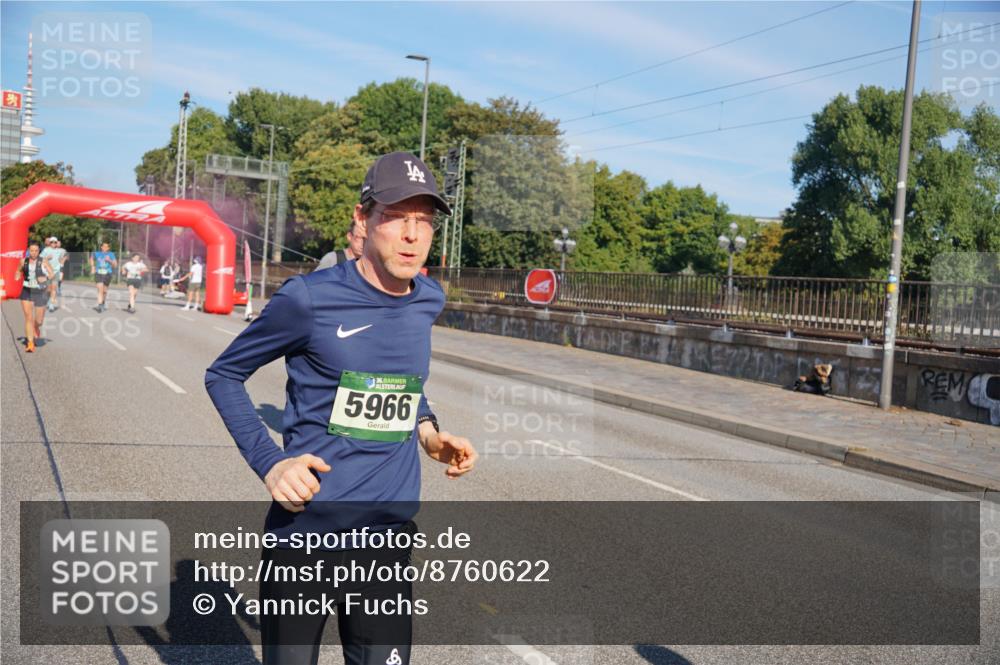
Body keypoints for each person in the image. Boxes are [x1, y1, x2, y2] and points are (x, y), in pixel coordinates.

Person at [205, 151, 477, 665]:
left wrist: (427, 432)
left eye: (424, 221)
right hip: (305, 536)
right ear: (363, 218)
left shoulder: (428, 299)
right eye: (396, 217)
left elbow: (402, 379)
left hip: (387, 542)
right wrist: (271, 463)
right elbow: (223, 374)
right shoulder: (308, 299)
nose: (412, 235)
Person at [17, 241, 55, 353]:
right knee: (28, 317)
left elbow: (52, 274)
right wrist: (17, 276)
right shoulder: (23, 261)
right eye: (31, 250)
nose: (33, 253)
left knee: (39, 320)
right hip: (27, 290)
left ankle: (36, 327)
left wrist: (45, 278)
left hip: (40, 292)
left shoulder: (43, 261)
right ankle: (30, 343)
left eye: (36, 251)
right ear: (28, 250)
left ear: (39, 251)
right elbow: (18, 271)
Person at [40, 237, 67, 311]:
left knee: (54, 288)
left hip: (56, 271)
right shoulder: (46, 250)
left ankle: (51, 304)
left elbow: (66, 255)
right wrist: (47, 258)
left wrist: (63, 260)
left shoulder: (60, 251)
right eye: (52, 242)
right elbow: (40, 259)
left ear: (56, 243)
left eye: (55, 242)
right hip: (48, 272)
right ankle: (48, 300)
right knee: (49, 289)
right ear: (50, 243)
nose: (53, 244)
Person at [90, 241, 117, 312]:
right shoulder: (97, 253)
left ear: (108, 248)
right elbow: (91, 258)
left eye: (107, 247)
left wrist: (109, 260)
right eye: (104, 246)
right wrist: (92, 267)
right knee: (100, 289)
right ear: (101, 247)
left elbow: (115, 265)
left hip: (107, 274)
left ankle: (103, 302)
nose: (105, 248)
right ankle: (99, 305)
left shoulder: (111, 254)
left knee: (104, 291)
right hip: (98, 273)